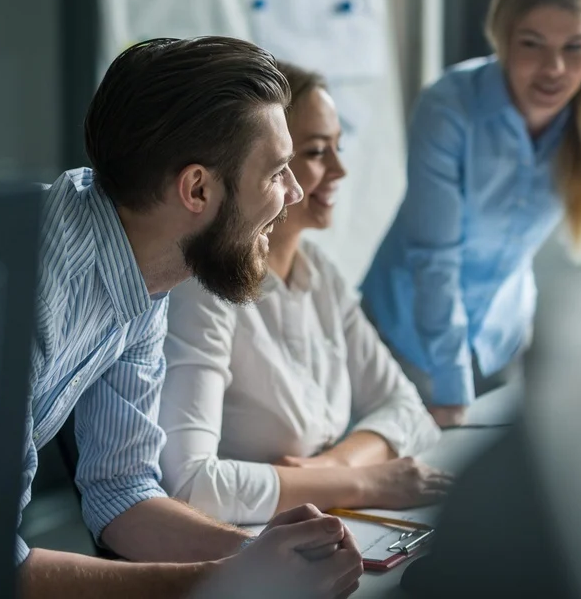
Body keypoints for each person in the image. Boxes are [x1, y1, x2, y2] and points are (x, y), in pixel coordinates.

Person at [20, 37, 364, 598]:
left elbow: (122, 492)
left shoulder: (147, 271)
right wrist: (230, 579)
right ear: (197, 188)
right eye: (277, 171)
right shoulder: (34, 286)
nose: (296, 190)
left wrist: (259, 554)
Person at [158, 62, 449, 526]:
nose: (339, 169)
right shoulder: (204, 288)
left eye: (338, 146)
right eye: (316, 152)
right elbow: (192, 488)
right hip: (242, 544)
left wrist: (329, 469)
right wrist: (364, 481)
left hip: (322, 518)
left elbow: (407, 409)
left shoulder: (320, 275)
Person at [361, 0, 581, 427]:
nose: (554, 68)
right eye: (533, 44)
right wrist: (452, 391)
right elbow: (436, 258)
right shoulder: (449, 106)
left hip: (501, 338)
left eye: (575, 48)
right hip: (403, 337)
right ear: (503, 38)